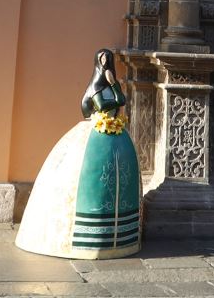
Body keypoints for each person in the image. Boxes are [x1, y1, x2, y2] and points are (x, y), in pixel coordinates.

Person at [15, 48, 141, 259]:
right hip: (94, 132)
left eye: (108, 60)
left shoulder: (112, 85)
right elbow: (102, 105)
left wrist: (114, 84)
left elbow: (121, 100)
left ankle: (119, 238)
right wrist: (113, 93)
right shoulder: (94, 87)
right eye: (102, 60)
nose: (105, 63)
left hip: (115, 136)